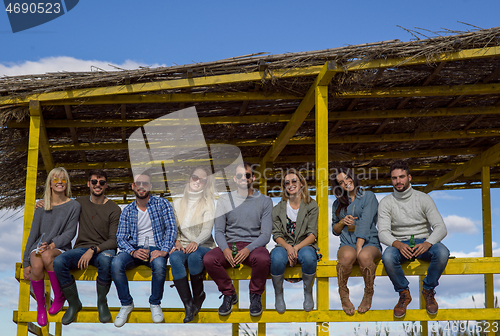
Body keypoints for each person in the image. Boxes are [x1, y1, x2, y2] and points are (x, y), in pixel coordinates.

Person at [378, 160, 449, 318]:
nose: (398, 181)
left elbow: (441, 228)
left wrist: (428, 243)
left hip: (424, 240)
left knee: (443, 253)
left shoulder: (423, 198)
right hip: (399, 243)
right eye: (394, 178)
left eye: (402, 177)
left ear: (409, 177)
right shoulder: (386, 202)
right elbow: (382, 232)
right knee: (388, 257)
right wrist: (398, 245)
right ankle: (404, 293)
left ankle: (428, 290)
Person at [50, 169, 121, 325]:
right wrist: (43, 202)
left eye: (101, 182)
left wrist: (93, 250)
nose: (98, 185)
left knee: (105, 261)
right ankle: (74, 303)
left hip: (102, 250)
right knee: (58, 262)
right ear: (88, 184)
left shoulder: (114, 209)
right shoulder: (79, 203)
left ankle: (102, 302)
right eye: (94, 182)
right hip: (81, 249)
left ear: (106, 185)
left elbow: (114, 240)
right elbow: (58, 204)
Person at [203, 161, 272, 317]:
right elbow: (219, 231)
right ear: (234, 179)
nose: (243, 178)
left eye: (247, 175)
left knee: (263, 259)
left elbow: (266, 235)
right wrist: (225, 249)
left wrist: (248, 249)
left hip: (253, 246)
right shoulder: (224, 200)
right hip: (230, 245)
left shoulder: (265, 201)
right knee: (208, 259)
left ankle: (255, 296)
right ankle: (229, 293)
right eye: (240, 175)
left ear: (253, 177)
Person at [111, 172, 177, 327]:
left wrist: (164, 250)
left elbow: (171, 229)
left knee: (160, 266)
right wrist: (133, 251)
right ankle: (126, 303)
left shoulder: (162, 204)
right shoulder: (127, 210)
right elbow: (120, 238)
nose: (141, 187)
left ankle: (155, 303)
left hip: (157, 248)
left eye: (145, 183)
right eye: (138, 183)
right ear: (133, 186)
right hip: (134, 249)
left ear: (150, 186)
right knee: (115, 264)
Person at [22, 167, 80, 327]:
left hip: (60, 248)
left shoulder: (74, 206)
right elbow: (33, 234)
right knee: (37, 262)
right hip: (39, 246)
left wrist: (53, 244)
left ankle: (59, 296)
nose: (59, 182)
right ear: (50, 184)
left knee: (47, 255)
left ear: (67, 183)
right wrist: (25, 262)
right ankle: (41, 306)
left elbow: (70, 233)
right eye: (55, 179)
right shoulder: (41, 207)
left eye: (63, 179)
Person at [331, 167, 382, 315]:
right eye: (341, 182)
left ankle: (368, 293)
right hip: (347, 242)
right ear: (338, 186)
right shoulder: (337, 203)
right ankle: (343, 294)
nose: (346, 183)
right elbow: (335, 230)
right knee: (346, 256)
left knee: (364, 256)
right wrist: (342, 222)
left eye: (347, 178)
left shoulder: (368, 196)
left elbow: (366, 223)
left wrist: (359, 247)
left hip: (369, 241)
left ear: (353, 176)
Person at [170, 167, 216, 323]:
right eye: (194, 177)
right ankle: (188, 304)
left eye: (202, 180)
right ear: (190, 179)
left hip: (203, 244)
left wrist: (196, 242)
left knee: (194, 257)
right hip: (182, 244)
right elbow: (173, 228)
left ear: (205, 184)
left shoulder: (208, 203)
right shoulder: (176, 203)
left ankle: (199, 295)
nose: (197, 181)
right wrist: (175, 241)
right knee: (175, 258)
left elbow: (207, 230)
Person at [270, 168, 319, 313]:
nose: (290, 185)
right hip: (284, 245)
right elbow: (277, 234)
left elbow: (312, 234)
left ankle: (308, 292)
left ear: (302, 183)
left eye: (293, 181)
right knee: (276, 257)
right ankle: (278, 294)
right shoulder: (278, 208)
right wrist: (288, 248)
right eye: (286, 183)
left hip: (305, 244)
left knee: (309, 257)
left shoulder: (311, 205)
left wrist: (296, 248)